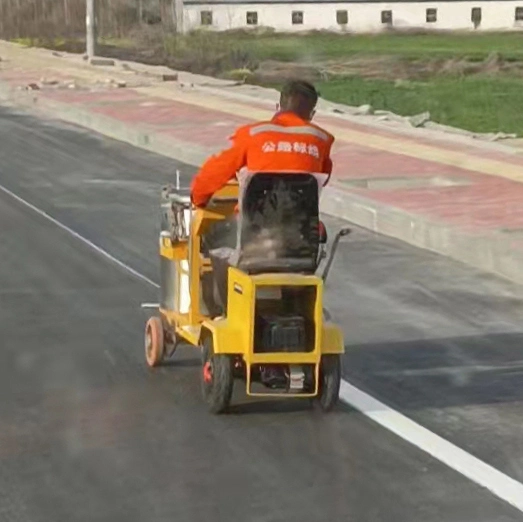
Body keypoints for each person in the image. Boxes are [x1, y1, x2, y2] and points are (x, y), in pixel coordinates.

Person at [190, 79, 335, 208]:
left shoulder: (252, 133)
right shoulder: (322, 139)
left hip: (253, 228)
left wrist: (198, 198)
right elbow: (323, 178)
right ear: (312, 114)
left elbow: (217, 169)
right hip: (303, 228)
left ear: (278, 107)